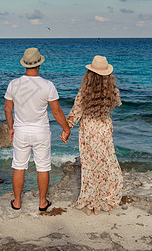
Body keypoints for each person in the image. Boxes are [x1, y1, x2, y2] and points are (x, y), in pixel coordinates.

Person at [4, 47, 71, 211]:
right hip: (41, 132)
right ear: (39, 65)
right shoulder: (48, 85)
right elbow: (56, 111)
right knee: (43, 167)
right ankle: (42, 202)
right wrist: (66, 129)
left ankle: (17, 202)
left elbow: (7, 108)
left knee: (19, 166)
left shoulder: (13, 84)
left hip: (21, 131)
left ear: (24, 65)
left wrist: (11, 128)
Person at [64, 55, 123, 216]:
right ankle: (101, 202)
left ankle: (90, 204)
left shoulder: (85, 90)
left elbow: (75, 112)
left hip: (88, 130)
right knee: (105, 165)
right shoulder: (112, 89)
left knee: (89, 167)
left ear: (90, 74)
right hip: (103, 129)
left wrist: (66, 129)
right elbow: (117, 103)